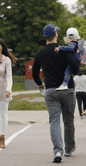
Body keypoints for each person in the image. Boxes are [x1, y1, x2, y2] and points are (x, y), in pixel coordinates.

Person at [32, 24, 79, 163]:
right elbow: (75, 69)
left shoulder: (40, 53)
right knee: (68, 120)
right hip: (67, 90)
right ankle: (69, 149)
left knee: (54, 121)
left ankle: (58, 151)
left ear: (44, 37)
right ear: (56, 35)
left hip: (51, 90)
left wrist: (40, 84)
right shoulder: (66, 49)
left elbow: (35, 73)